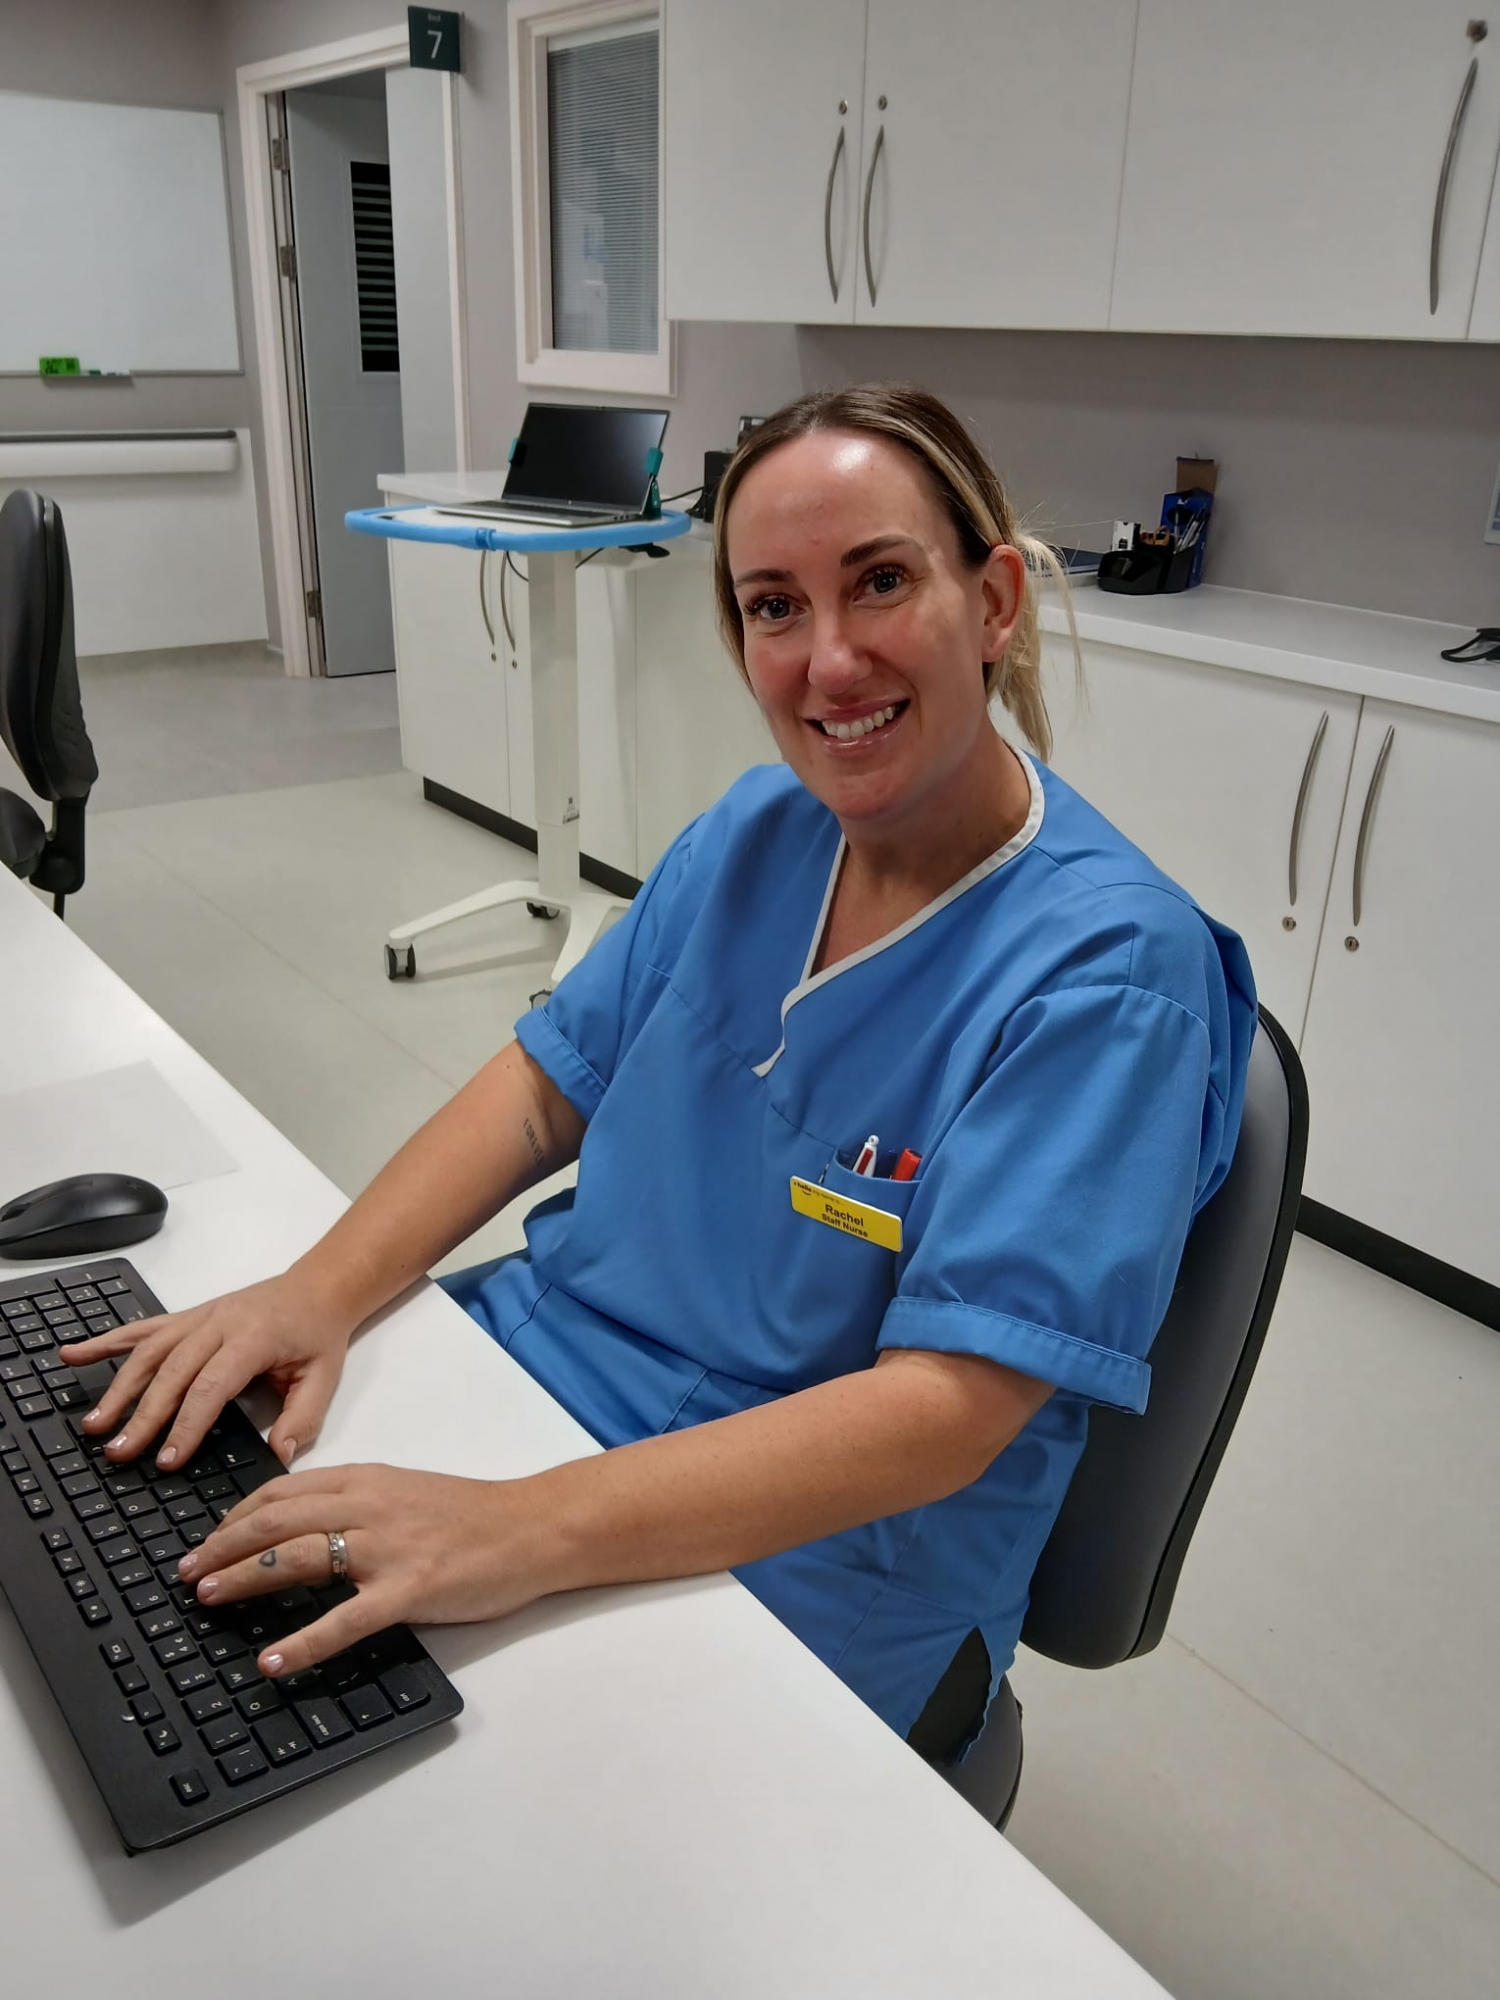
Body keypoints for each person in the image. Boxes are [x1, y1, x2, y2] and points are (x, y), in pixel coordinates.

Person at [62, 384, 1256, 1760]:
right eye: (773, 606)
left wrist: (513, 1528)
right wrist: (316, 1292)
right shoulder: (757, 830)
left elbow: (946, 1414)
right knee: (159, 1615)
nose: (829, 661)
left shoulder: (1111, 977)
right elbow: (540, 1089)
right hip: (541, 1383)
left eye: (879, 582)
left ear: (991, 602)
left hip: (830, 1552)